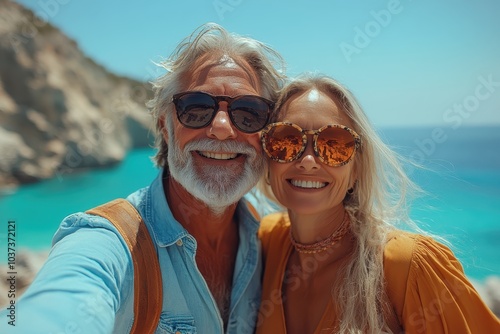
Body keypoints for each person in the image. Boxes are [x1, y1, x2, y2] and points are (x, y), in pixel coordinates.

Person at [0, 23, 285, 333]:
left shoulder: (276, 233)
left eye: (248, 113)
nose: (221, 128)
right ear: (165, 126)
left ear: (267, 133)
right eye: (196, 108)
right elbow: (58, 306)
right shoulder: (107, 242)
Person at [255, 74, 500, 333]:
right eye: (284, 140)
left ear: (357, 169)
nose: (308, 160)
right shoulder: (267, 241)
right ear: (266, 159)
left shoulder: (407, 265)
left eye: (334, 144)